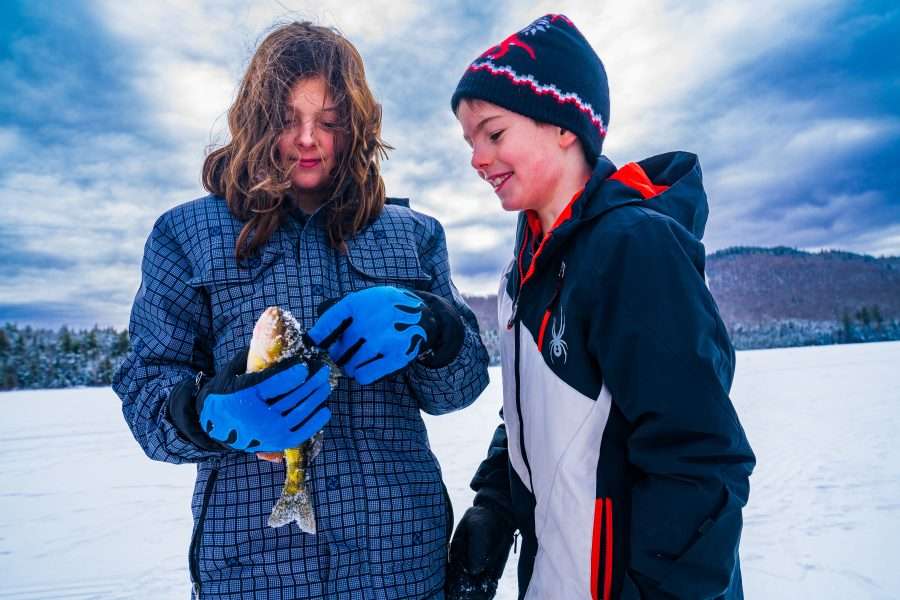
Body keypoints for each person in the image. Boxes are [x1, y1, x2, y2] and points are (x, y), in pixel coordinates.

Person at [113, 21, 489, 599]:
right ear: (258, 121)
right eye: (288, 119)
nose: (308, 139)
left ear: (356, 126)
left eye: (330, 121)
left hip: (402, 568)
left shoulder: (413, 236)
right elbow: (145, 388)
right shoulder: (186, 234)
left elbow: (458, 390)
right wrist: (204, 411)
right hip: (253, 572)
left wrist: (434, 326)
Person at [445, 14, 756, 600]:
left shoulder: (633, 250)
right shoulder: (529, 266)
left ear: (564, 127)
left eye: (492, 133)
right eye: (470, 143)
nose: (477, 159)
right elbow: (533, 414)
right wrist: (494, 505)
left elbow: (698, 457)